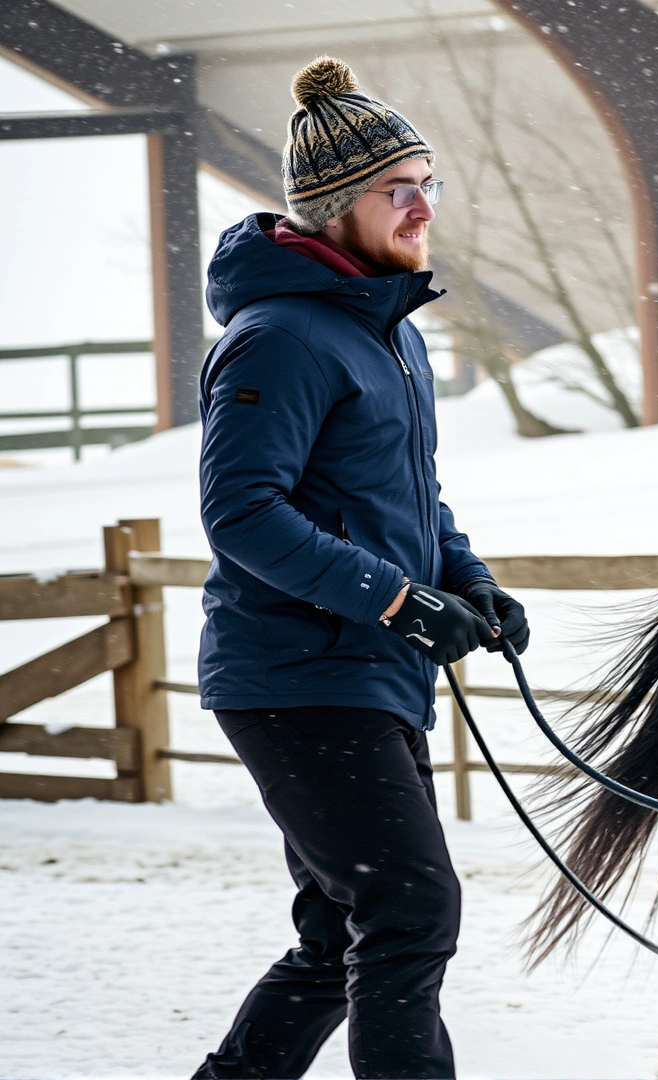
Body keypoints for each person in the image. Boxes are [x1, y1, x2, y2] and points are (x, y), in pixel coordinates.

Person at [192, 56, 530, 1079]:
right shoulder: (281, 338)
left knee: (344, 934)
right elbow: (242, 513)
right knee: (410, 908)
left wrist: (464, 579)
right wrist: (395, 596)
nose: (422, 205)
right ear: (336, 209)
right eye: (399, 188)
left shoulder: (378, 329)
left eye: (429, 181)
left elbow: (402, 493)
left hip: (366, 671)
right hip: (296, 676)